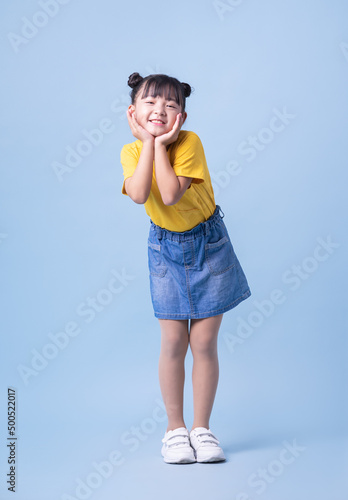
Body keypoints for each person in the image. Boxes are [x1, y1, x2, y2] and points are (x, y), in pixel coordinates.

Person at [120, 72, 251, 464]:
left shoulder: (190, 143)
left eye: (171, 105)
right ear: (133, 112)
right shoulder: (130, 152)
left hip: (209, 245)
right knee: (174, 342)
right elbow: (141, 194)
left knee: (204, 343)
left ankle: (202, 429)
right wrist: (148, 143)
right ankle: (175, 430)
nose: (160, 109)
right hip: (164, 250)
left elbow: (173, 192)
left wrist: (159, 143)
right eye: (150, 102)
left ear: (183, 116)